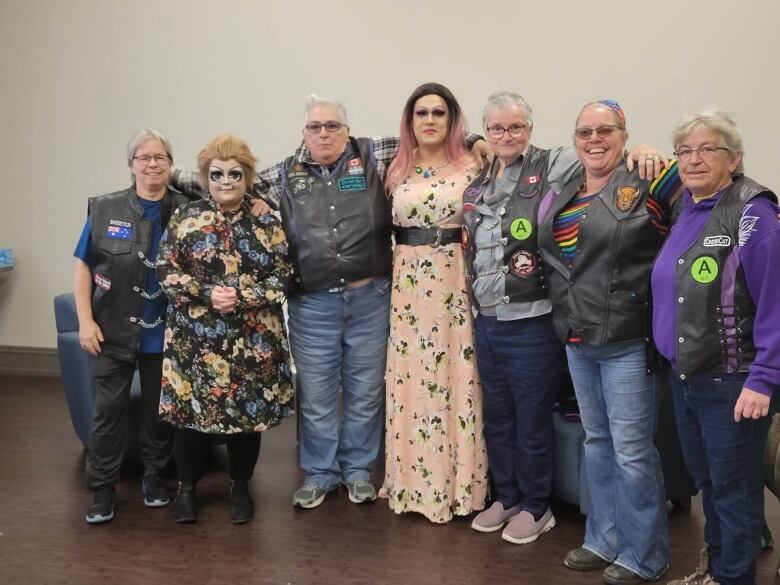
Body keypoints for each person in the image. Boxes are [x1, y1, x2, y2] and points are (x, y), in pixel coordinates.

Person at [170, 95, 488, 509]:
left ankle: (357, 472)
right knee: (318, 395)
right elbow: (225, 180)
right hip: (312, 303)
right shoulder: (284, 173)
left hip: (371, 297)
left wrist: (478, 138)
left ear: (346, 129)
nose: (324, 133)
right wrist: (158, 171)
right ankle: (320, 474)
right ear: (303, 132)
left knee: (365, 391)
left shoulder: (376, 154)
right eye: (315, 127)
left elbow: (430, 133)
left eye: (333, 126)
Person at [538, 100, 681, 585]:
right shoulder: (567, 190)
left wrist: (663, 159)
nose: (593, 140)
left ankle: (646, 554)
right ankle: (603, 539)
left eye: (605, 131)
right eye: (584, 132)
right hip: (577, 337)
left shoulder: (648, 181)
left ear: (624, 135)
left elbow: (709, 192)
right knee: (596, 442)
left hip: (626, 339)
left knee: (632, 450)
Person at [651, 109, 780, 585]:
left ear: (735, 158)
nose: (694, 159)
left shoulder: (752, 212)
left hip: (733, 381)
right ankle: (718, 572)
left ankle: (734, 578)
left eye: (708, 149)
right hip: (688, 377)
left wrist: (763, 379)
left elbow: (776, 302)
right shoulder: (689, 207)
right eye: (684, 151)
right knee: (710, 486)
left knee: (735, 492)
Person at [156, 134, 293, 524]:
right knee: (191, 418)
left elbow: (284, 275)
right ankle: (186, 490)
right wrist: (206, 293)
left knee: (247, 418)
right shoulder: (186, 217)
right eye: (217, 174)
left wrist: (243, 296)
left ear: (248, 176)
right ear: (205, 177)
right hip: (195, 341)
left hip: (253, 340)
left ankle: (241, 487)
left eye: (235, 174)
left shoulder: (267, 218)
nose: (226, 181)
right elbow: (166, 270)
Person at [463, 92, 580, 542]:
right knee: (499, 416)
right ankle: (507, 496)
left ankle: (536, 505)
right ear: (486, 132)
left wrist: (643, 153)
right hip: (487, 319)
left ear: (529, 129)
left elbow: (603, 153)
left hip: (532, 319)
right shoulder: (479, 180)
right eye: (496, 128)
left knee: (532, 417)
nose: (506, 135)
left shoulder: (553, 163)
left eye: (515, 127)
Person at [73, 129, 196, 524]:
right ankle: (102, 489)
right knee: (107, 415)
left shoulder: (188, 209)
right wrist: (85, 321)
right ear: (131, 165)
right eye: (143, 157)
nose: (152, 164)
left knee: (158, 414)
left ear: (170, 164)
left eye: (159, 157)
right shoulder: (104, 209)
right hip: (111, 331)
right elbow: (83, 266)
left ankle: (155, 477)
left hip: (167, 333)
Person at [379, 82, 488, 523]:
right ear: (409, 121)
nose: (429, 120)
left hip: (454, 283)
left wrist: (477, 138)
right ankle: (411, 484)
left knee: (456, 377)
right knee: (410, 382)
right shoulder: (393, 167)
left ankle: (458, 485)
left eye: (438, 113)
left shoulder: (474, 165)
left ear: (452, 119)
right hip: (407, 290)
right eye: (421, 113)